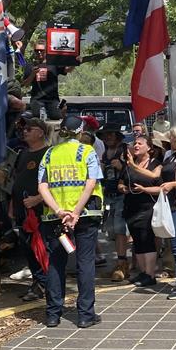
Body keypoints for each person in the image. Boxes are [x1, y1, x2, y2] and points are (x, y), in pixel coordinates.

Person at [37, 116, 104, 328]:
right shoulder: (87, 152)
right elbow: (90, 183)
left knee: (56, 264)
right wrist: (75, 212)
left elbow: (42, 187)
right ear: (80, 131)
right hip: (84, 215)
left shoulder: (49, 154)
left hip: (55, 218)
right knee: (85, 263)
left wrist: (59, 211)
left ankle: (53, 314)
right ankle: (85, 315)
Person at [136, 125, 176, 300]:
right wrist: (145, 186)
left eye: (172, 137)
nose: (169, 140)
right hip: (170, 204)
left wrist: (174, 185)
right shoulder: (172, 156)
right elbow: (159, 178)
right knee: (174, 243)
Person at [10, 117, 50, 302]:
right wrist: (13, 204)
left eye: (29, 129)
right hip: (22, 211)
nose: (24, 131)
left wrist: (38, 198)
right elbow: (17, 180)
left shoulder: (49, 154)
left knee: (40, 248)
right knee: (27, 249)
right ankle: (37, 281)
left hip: (39, 211)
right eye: (24, 129)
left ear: (40, 132)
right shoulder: (23, 154)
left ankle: (44, 283)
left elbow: (56, 184)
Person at [118, 135, 161, 286]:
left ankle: (150, 274)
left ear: (149, 147)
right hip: (131, 206)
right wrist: (122, 187)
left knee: (146, 239)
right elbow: (121, 181)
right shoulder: (129, 164)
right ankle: (143, 273)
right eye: (135, 143)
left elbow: (159, 185)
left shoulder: (156, 164)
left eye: (140, 143)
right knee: (137, 240)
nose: (136, 146)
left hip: (147, 207)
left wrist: (144, 189)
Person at [97, 123, 129, 281]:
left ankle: (122, 264)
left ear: (118, 136)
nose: (108, 137)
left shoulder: (124, 150)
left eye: (111, 134)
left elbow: (134, 169)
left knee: (120, 229)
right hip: (108, 194)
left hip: (121, 195)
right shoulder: (105, 153)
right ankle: (120, 262)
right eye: (105, 134)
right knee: (112, 231)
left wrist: (122, 166)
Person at [21, 42, 72, 120]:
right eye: (36, 50)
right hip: (37, 99)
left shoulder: (53, 63)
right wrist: (33, 74)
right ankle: (31, 111)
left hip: (53, 99)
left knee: (57, 116)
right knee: (38, 117)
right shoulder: (30, 65)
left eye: (41, 50)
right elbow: (25, 84)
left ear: (46, 51)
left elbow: (67, 70)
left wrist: (75, 62)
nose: (39, 52)